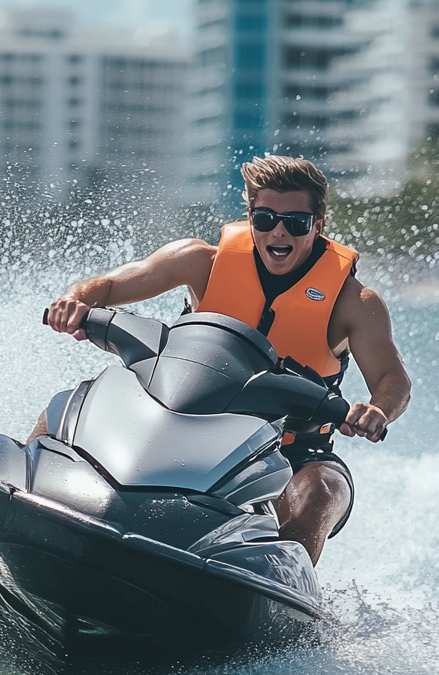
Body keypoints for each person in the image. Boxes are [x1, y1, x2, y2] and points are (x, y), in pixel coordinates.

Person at [41, 155, 411, 564]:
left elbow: (394, 380)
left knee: (320, 495)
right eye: (266, 218)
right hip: (181, 424)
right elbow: (107, 287)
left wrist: (377, 410)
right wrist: (74, 301)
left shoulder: (354, 303)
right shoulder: (200, 262)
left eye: (296, 222)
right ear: (250, 217)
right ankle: (13, 508)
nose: (279, 231)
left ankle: (282, 603)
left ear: (318, 226)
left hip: (292, 449)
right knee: (74, 404)